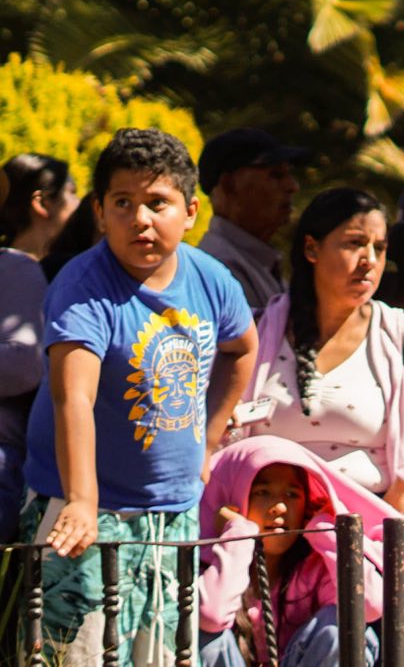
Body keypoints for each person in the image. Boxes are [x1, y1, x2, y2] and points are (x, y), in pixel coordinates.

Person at [22, 129, 260, 665]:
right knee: (71, 655)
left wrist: (209, 437)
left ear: (190, 210)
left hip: (170, 511)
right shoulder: (83, 287)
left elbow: (242, 348)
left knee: (161, 654)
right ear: (100, 213)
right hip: (82, 513)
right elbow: (72, 399)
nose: (140, 219)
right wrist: (82, 502)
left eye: (157, 203)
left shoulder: (211, 278)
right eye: (123, 204)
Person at [235, 188, 404, 514]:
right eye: (355, 243)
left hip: (370, 546)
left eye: (379, 248)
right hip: (269, 551)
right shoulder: (254, 332)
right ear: (311, 248)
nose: (369, 260)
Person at [196, 434, 404, 667]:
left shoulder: (316, 566)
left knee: (342, 630)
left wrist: (323, 528)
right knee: (207, 637)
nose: (279, 507)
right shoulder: (210, 560)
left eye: (292, 495)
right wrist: (238, 532)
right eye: (262, 492)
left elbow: (368, 607)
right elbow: (212, 616)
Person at [1, 153, 79, 541]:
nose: (79, 204)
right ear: (41, 202)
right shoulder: (18, 267)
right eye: (71, 192)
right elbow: (26, 364)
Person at [197, 128, 308, 309]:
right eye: (276, 175)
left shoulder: (257, 260)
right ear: (229, 185)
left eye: (289, 174)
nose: (292, 186)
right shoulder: (219, 267)